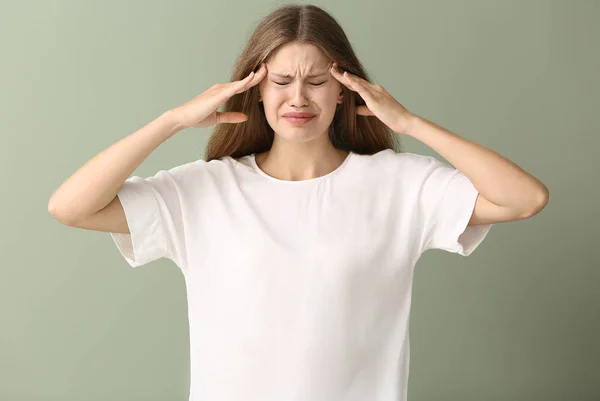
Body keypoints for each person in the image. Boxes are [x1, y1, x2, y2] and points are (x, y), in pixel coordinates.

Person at [48, 4, 549, 401]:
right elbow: (71, 207)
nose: (298, 99)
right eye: (281, 82)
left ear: (344, 88)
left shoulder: (400, 185)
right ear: (256, 91)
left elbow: (525, 198)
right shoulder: (203, 191)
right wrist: (172, 120)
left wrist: (410, 124)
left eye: (316, 81)